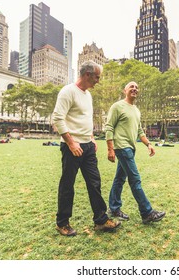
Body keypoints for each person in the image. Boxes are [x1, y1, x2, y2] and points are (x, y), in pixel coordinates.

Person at [52, 61, 120, 236]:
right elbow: (58, 118)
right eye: (97, 77)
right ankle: (62, 223)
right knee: (67, 185)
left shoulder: (88, 95)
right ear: (87, 74)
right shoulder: (68, 91)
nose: (98, 80)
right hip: (71, 147)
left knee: (94, 183)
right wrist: (71, 143)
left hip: (88, 147)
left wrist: (90, 137)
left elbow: (85, 118)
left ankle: (101, 220)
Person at [105, 81, 166, 224]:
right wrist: (110, 149)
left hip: (131, 148)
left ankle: (114, 208)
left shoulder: (136, 110)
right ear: (124, 90)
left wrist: (148, 144)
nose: (134, 89)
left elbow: (139, 131)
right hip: (122, 147)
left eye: (136, 87)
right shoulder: (117, 106)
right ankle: (147, 212)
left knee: (120, 178)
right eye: (131, 87)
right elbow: (109, 127)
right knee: (135, 179)